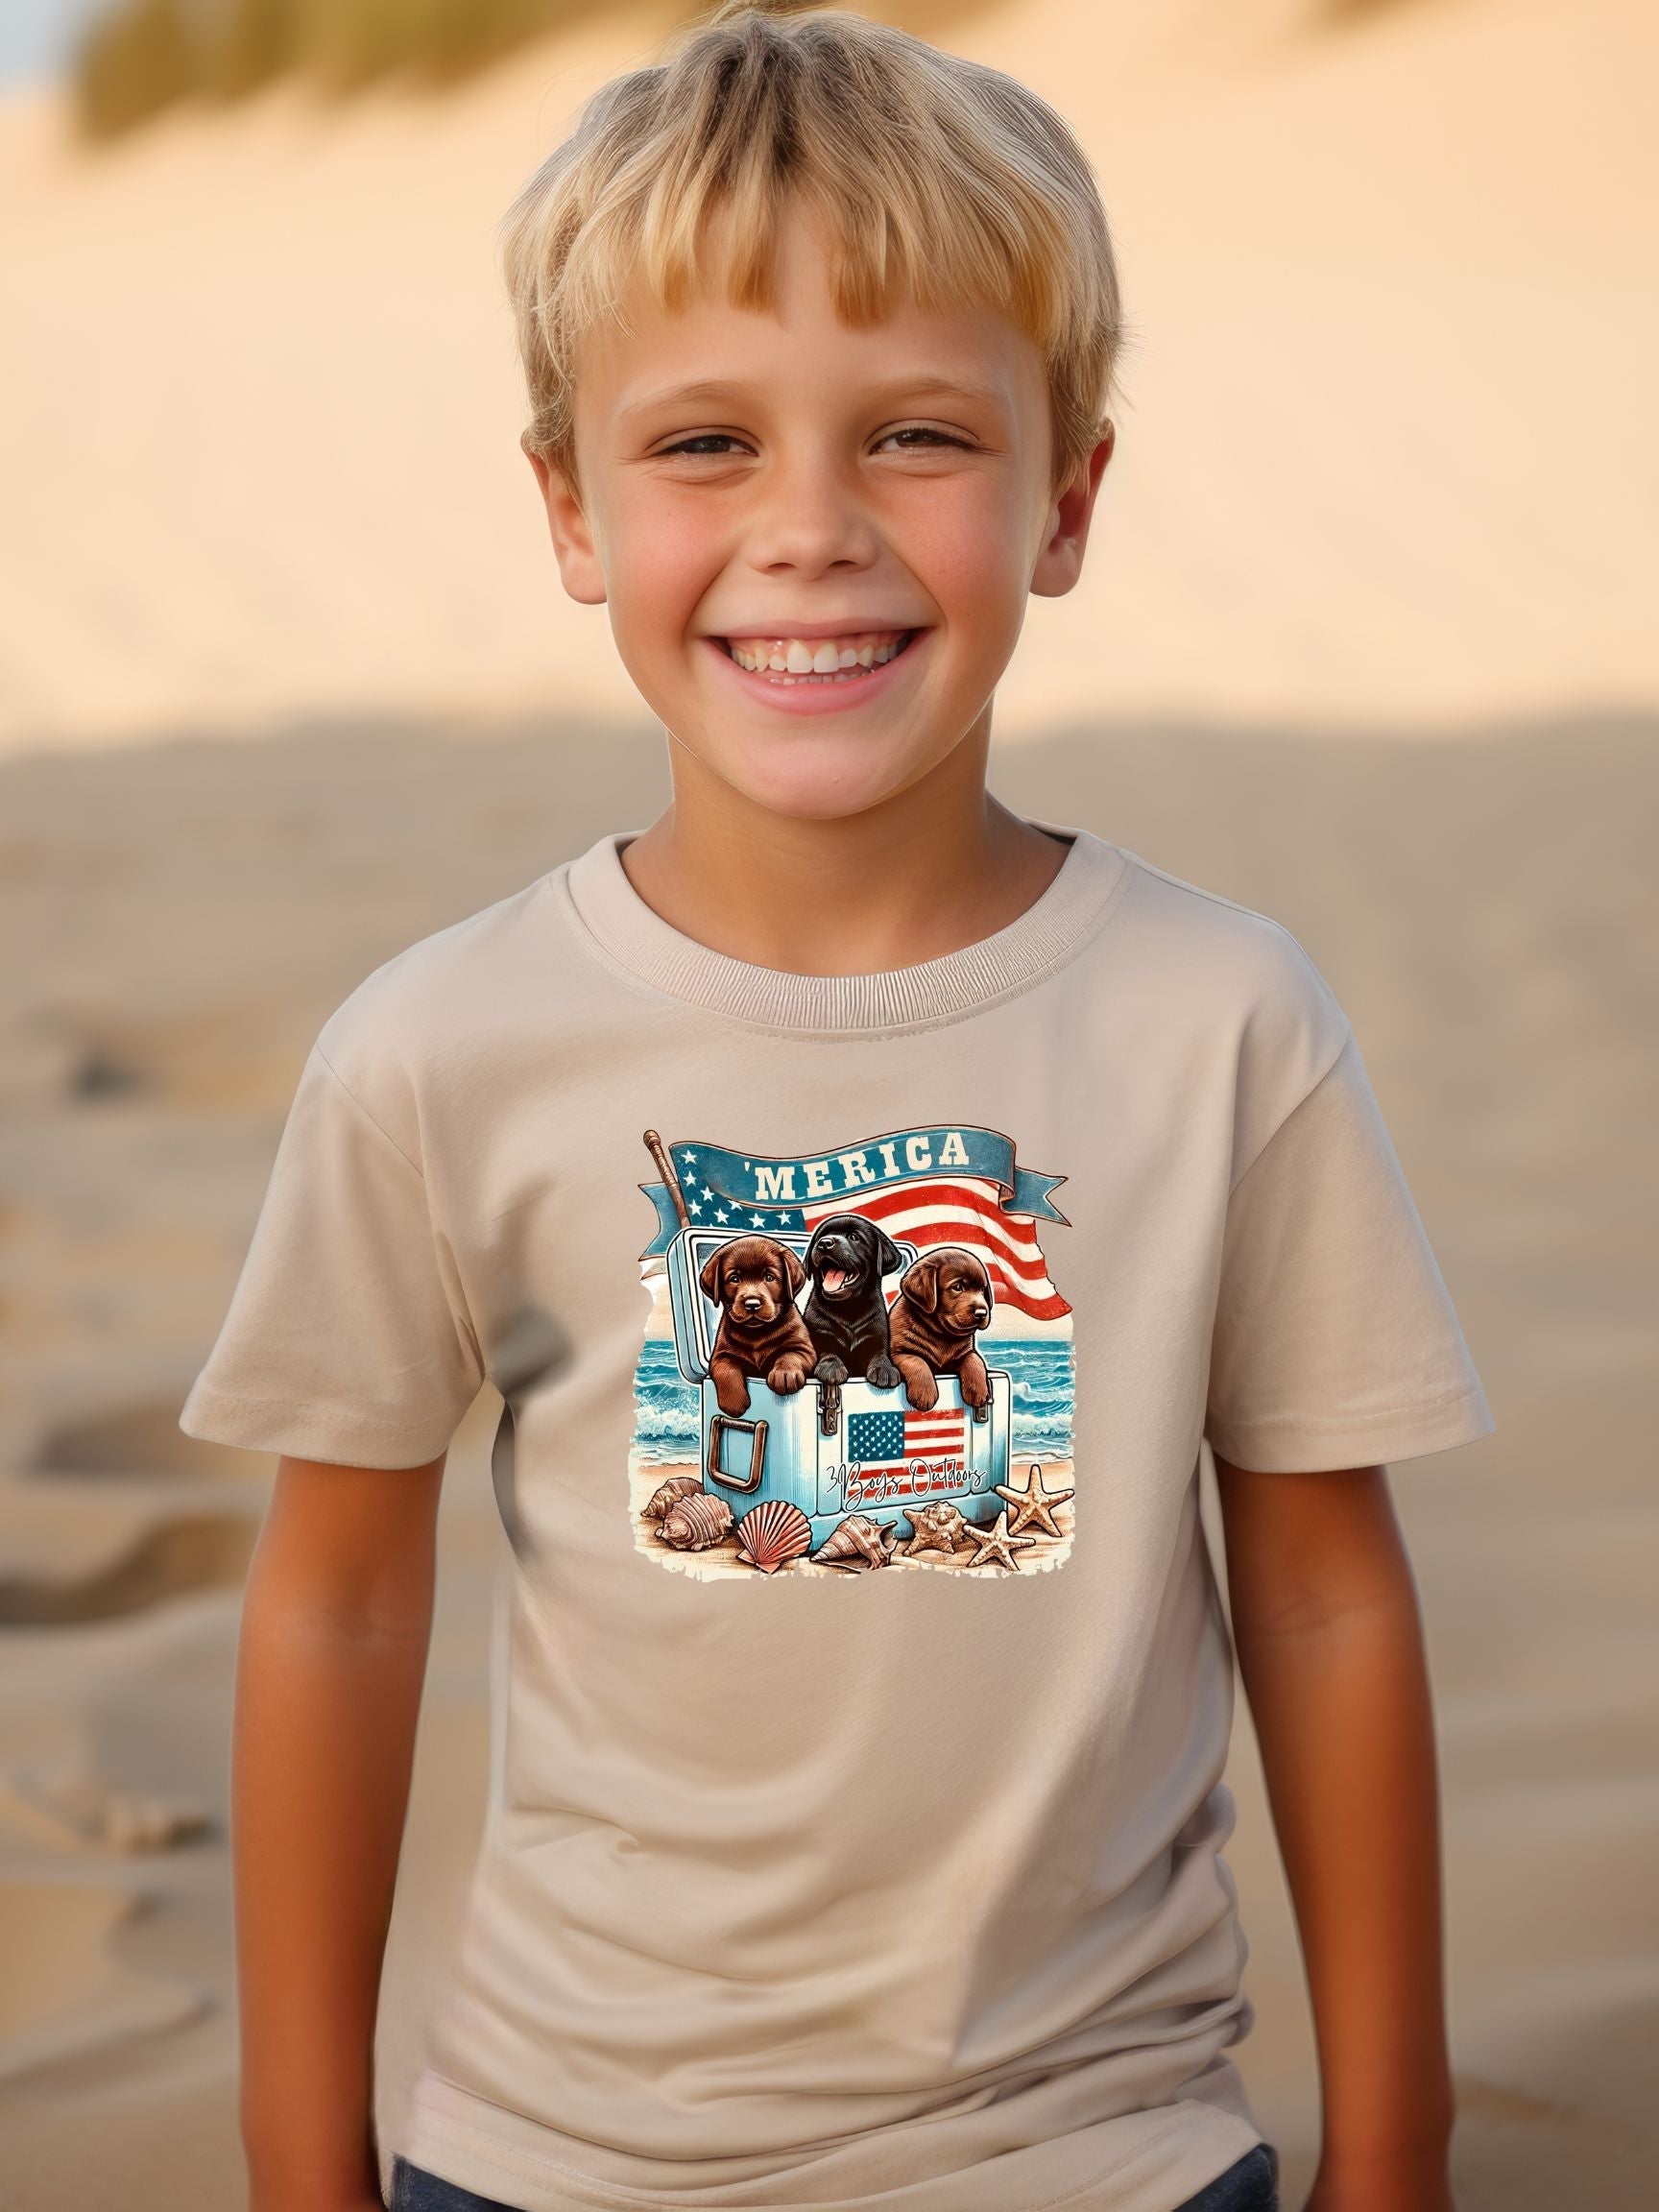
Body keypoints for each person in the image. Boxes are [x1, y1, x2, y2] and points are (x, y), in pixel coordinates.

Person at [180, 7, 1494, 2211]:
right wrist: (298, 2169)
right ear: (570, 513)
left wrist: (1403, 2153)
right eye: (702, 442)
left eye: (912, 437)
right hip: (561, 2153)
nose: (810, 531)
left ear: (1065, 499)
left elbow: (1328, 1590)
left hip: (1106, 2146)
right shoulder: (436, 1046)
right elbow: (332, 1603)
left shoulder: (1225, 1019)